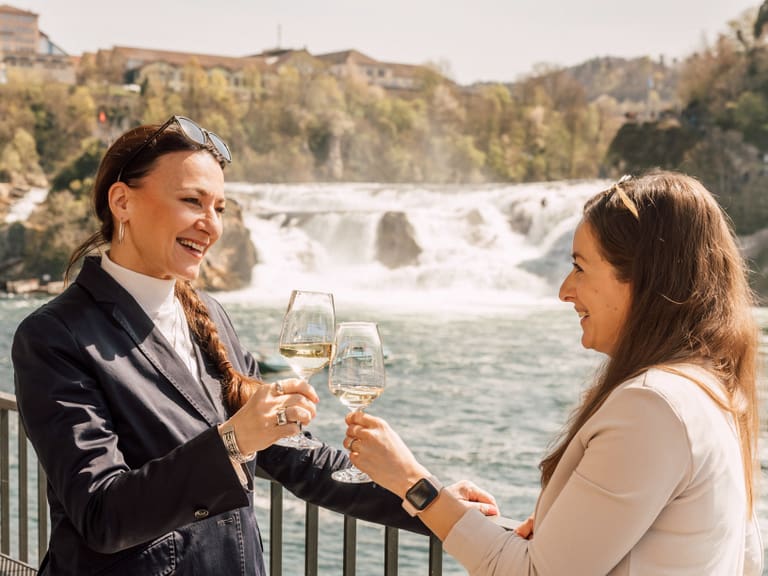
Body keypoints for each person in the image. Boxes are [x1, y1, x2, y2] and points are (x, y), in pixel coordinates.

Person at [11, 115, 464, 575]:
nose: (211, 225)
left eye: (220, 208)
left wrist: (432, 502)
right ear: (122, 201)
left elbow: (295, 456)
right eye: (192, 201)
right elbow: (101, 515)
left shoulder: (207, 313)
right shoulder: (53, 336)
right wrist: (233, 440)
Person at [344, 171, 764, 575]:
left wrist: (411, 481)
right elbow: (747, 563)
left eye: (581, 267)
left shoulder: (652, 406)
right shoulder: (714, 390)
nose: (565, 290)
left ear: (642, 279)